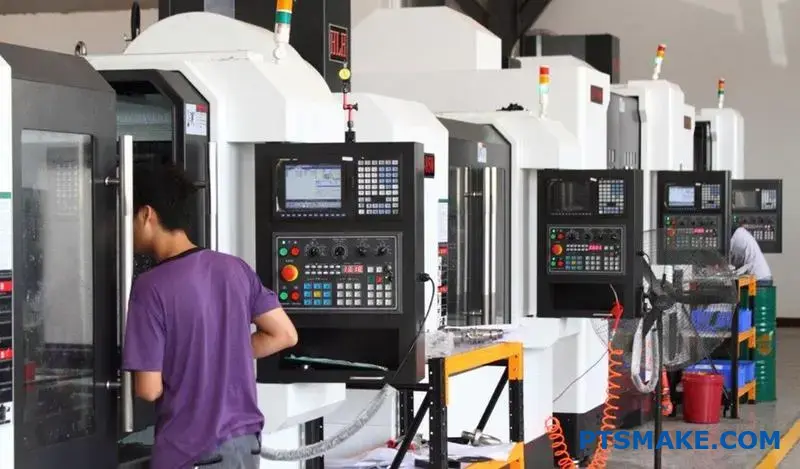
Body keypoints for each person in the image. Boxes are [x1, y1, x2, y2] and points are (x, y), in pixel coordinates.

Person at [122, 161, 298, 469]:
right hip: (245, 445)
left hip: (190, 451)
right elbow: (284, 334)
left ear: (146, 214)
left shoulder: (150, 287)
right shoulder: (235, 269)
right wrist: (219, 354)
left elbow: (149, 389)